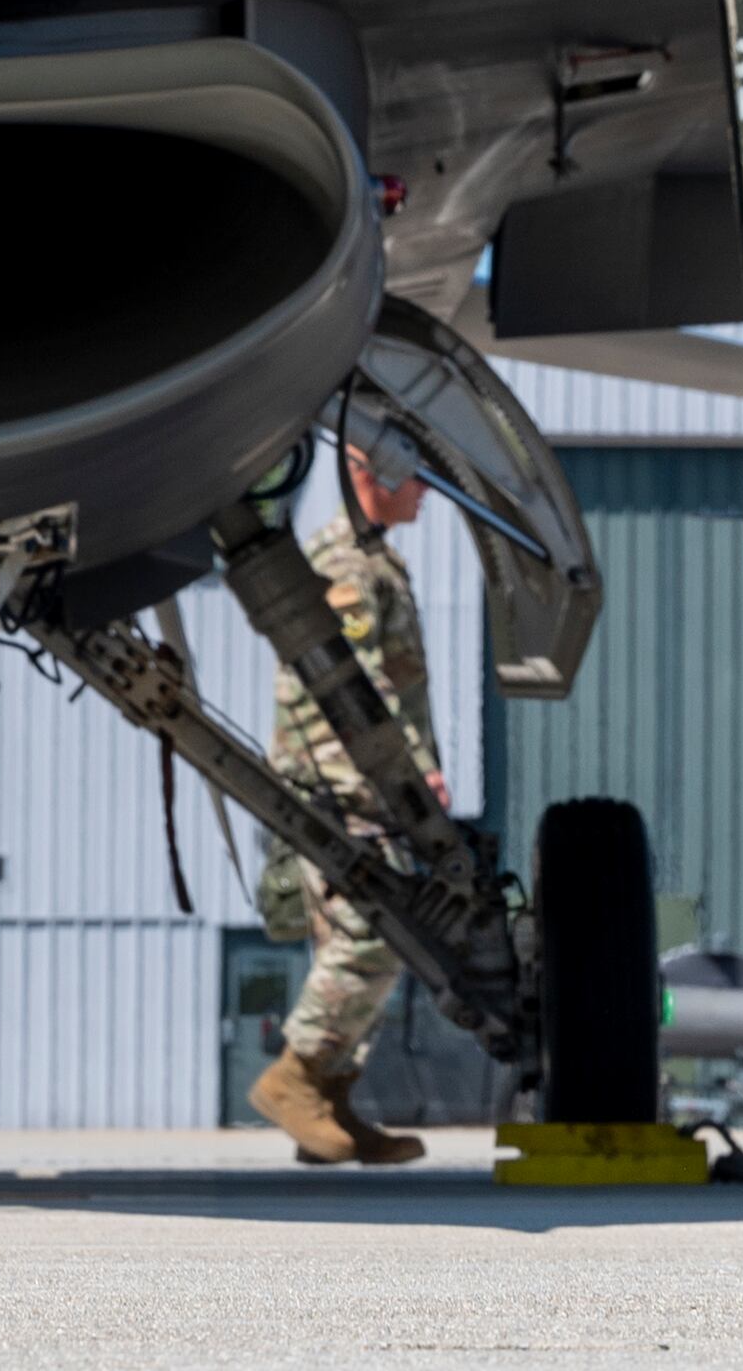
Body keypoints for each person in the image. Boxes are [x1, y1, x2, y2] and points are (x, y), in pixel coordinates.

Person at [246, 441, 441, 1167]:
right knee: (375, 934)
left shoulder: (376, 559)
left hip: (364, 785)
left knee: (356, 942)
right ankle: (293, 1079)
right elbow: (339, 688)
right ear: (369, 471)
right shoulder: (345, 563)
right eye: (417, 475)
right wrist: (401, 779)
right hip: (342, 789)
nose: (427, 491)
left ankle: (331, 1099)